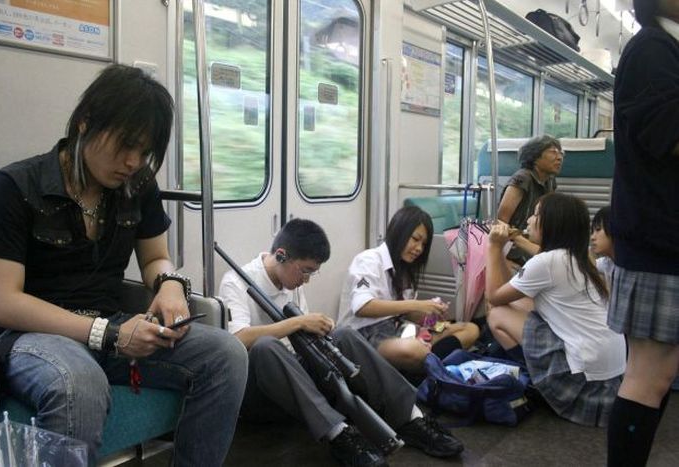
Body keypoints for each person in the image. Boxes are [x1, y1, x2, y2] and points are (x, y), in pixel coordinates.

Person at [0, 65, 248, 466]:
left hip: (110, 325)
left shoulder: (137, 186)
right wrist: (109, 334)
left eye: (145, 151)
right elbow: (3, 303)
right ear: (86, 122)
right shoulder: (14, 187)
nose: (133, 161)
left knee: (226, 354)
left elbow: (155, 258)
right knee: (78, 383)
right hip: (32, 336)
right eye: (125, 145)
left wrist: (171, 285)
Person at [218, 218, 464, 467]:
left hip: (295, 384)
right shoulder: (236, 282)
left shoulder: (292, 280)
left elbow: (301, 338)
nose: (307, 280)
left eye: (312, 272)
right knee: (265, 347)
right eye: (305, 271)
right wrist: (298, 323)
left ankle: (411, 418)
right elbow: (238, 339)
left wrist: (322, 335)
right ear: (281, 255)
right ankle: (340, 435)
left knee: (344, 335)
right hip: (259, 391)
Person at [605, 1, 679, 465]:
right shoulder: (652, 49)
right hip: (659, 243)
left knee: (659, 374)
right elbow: (669, 136)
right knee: (648, 377)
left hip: (664, 242)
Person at [486, 193, 625, 427]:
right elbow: (507, 292)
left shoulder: (548, 262)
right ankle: (534, 374)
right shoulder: (579, 257)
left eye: (536, 214)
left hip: (584, 383)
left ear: (552, 224)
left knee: (497, 314)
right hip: (612, 379)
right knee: (519, 304)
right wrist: (503, 248)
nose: (529, 220)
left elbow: (493, 297)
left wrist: (493, 246)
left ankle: (538, 383)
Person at [336, 206, 479, 373]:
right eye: (415, 239)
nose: (419, 249)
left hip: (397, 330)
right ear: (399, 232)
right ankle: (428, 364)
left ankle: (427, 364)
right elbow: (362, 306)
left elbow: (406, 314)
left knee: (470, 329)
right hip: (363, 336)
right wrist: (418, 305)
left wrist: (432, 317)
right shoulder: (368, 261)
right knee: (414, 350)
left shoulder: (405, 269)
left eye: (423, 244)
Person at [497, 135, 564, 265]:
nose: (559, 157)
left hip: (533, 243)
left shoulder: (550, 180)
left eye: (560, 153)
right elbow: (501, 221)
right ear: (535, 156)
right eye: (553, 152)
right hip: (514, 248)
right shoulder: (523, 179)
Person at [590, 206, 615, 286]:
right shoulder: (606, 263)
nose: (592, 237)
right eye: (592, 232)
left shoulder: (630, 267)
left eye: (598, 229)